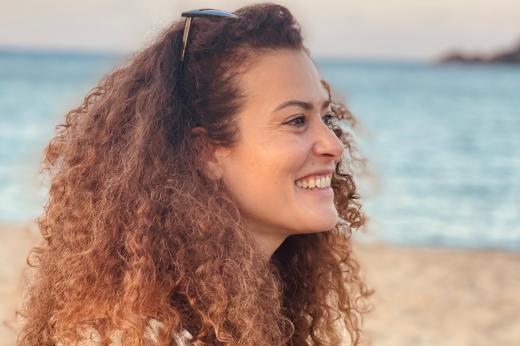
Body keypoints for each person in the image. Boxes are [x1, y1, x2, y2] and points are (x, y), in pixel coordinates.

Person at [18, 3, 373, 345]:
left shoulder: (237, 313)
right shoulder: (150, 334)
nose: (334, 145)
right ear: (205, 153)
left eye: (325, 118)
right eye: (296, 120)